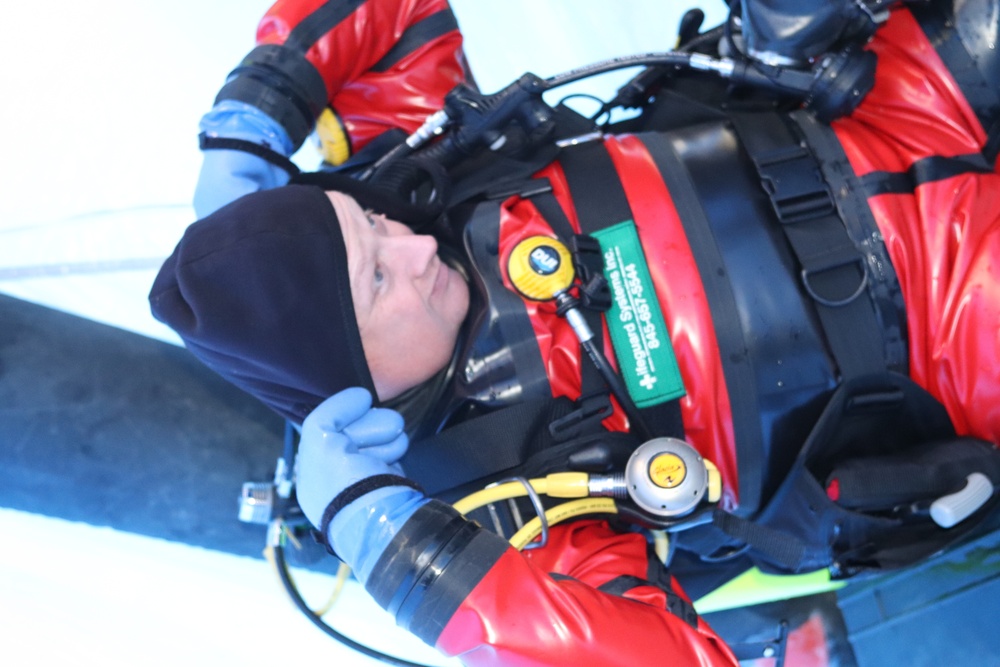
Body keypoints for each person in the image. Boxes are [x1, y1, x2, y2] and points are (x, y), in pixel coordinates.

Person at [150, 0, 1000, 664]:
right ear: (356, 376)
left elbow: (398, 17)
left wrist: (256, 109)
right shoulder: (507, 507)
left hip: (889, 106)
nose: (408, 246)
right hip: (956, 321)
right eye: (377, 278)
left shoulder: (423, 193)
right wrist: (412, 561)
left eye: (369, 226)